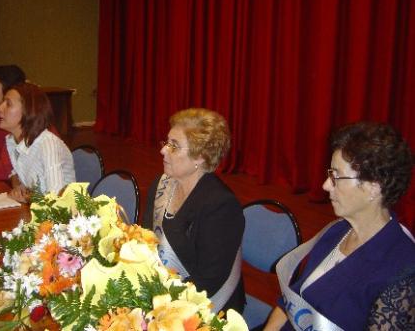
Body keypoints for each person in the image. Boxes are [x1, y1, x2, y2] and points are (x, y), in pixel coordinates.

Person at [264, 122, 415, 331]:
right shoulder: (337, 231)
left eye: (336, 176)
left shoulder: (403, 271)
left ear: (374, 186)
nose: (326, 185)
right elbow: (289, 301)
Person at [142, 108, 245, 314]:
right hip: (161, 290)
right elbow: (145, 240)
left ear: (200, 157)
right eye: (167, 143)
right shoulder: (161, 184)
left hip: (207, 308)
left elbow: (209, 281)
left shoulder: (221, 206)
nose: (163, 151)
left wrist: (157, 301)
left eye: (174, 146)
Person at [0, 82, 75, 202]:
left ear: (28, 111)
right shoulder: (12, 140)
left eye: (8, 104)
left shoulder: (48, 143)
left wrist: (28, 197)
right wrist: (19, 186)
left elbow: (56, 197)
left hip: (64, 215)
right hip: (39, 210)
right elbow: (16, 172)